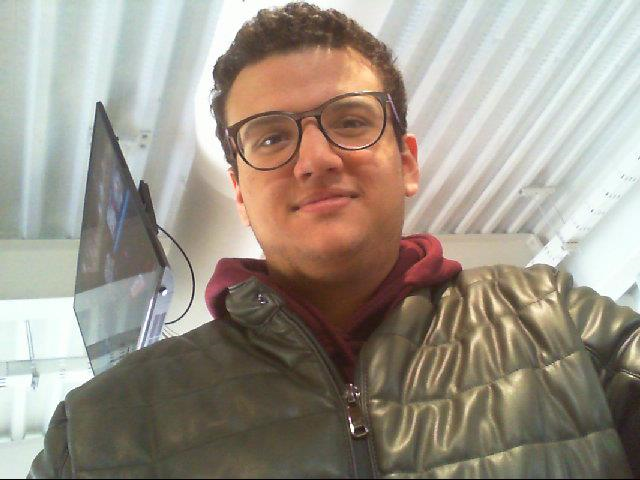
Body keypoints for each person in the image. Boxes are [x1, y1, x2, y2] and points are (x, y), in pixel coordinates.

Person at [29, 2, 639, 478]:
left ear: (406, 162)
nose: (316, 158)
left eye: (350, 121)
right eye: (271, 137)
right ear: (239, 191)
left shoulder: (556, 320)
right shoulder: (97, 431)